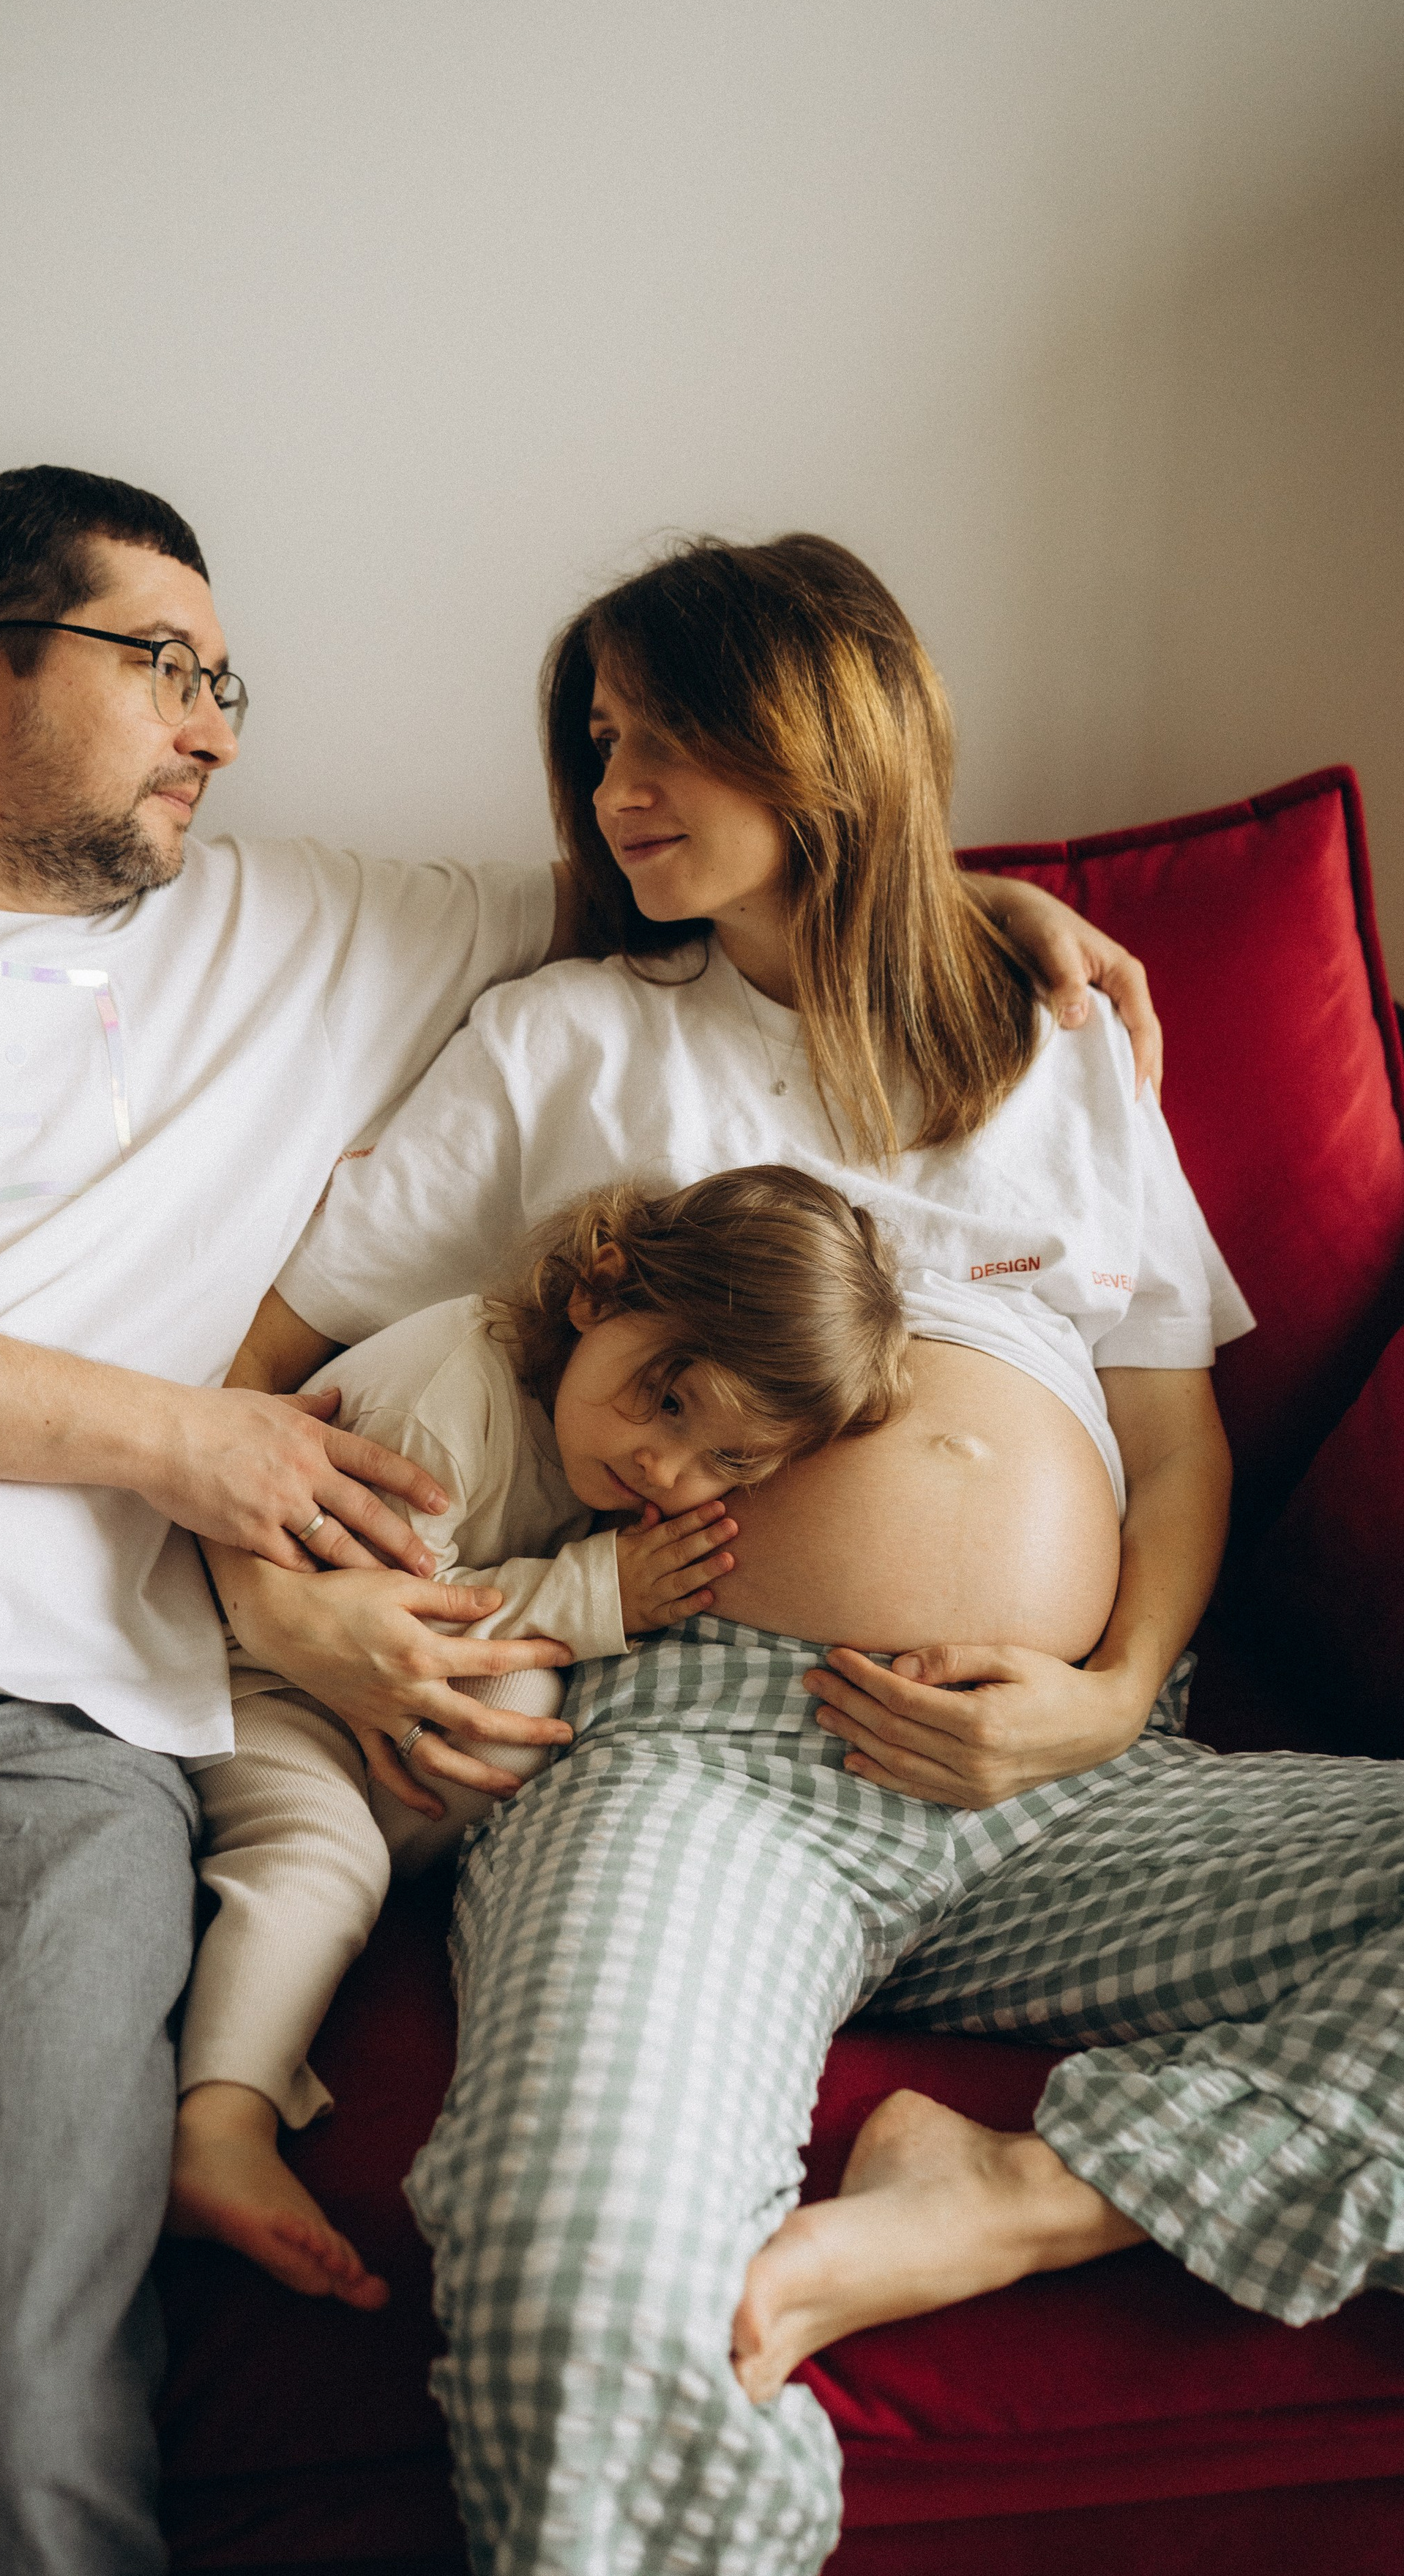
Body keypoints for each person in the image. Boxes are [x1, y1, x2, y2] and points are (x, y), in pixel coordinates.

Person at [0, 467, 1159, 2576]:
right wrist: (190, 1449)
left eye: (229, 684)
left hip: (17, 1761)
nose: (217, 727)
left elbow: (716, 869)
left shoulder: (303, 929)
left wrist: (961, 902)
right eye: (165, 669)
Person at [214, 533, 1404, 2576]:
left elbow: (1170, 1438)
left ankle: (1030, 2195)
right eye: (599, 745)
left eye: (669, 738)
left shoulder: (1049, 1040)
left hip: (1065, 1779)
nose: (617, 790)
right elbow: (254, 1393)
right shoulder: (560, 1039)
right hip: (690, 1762)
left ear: (823, 741)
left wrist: (1109, 1695)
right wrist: (294, 1613)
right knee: (568, 2271)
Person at [169, 1163, 911, 2309]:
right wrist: (594, 1589)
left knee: (529, 1713)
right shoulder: (441, 1404)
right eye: (670, 1403)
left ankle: (360, 1901)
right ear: (597, 1291)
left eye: (731, 1461)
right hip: (268, 1682)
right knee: (325, 1859)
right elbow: (378, 1626)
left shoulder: (596, 1430)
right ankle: (220, 2124)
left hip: (383, 1704)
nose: (668, 1470)